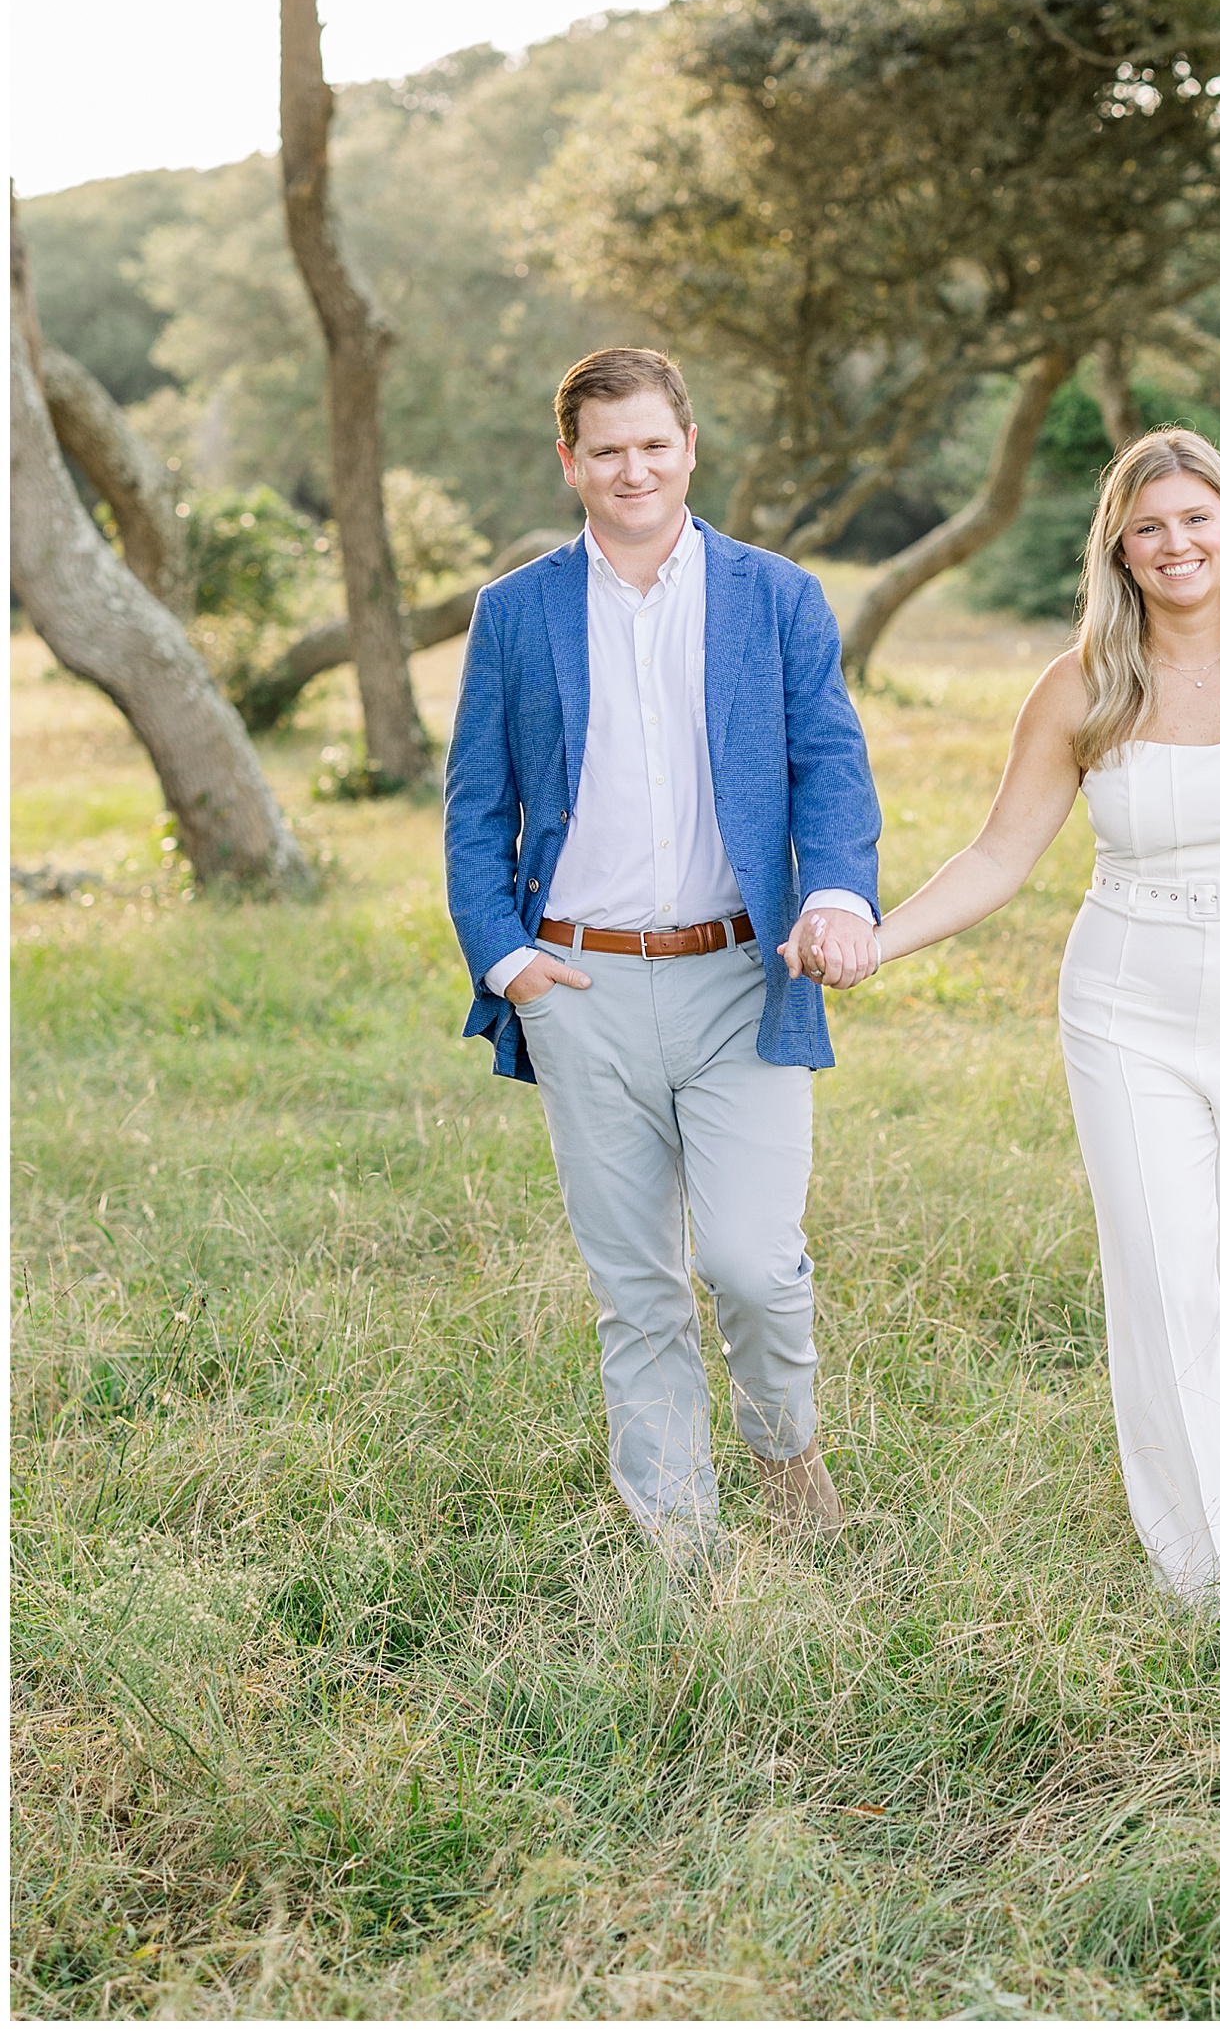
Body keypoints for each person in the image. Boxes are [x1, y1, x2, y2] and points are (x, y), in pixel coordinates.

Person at [789, 427, 1220, 1606]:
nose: (1177, 545)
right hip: (1129, 1003)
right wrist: (874, 940)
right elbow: (1000, 852)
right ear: (1121, 544)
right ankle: (1212, 1571)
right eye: (1150, 525)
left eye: (1196, 519)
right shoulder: (1082, 684)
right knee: (1165, 1284)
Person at [444, 346, 881, 1565]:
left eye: (653, 442)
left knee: (750, 1259)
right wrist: (507, 959)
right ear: (570, 460)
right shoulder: (517, 609)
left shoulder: (775, 595)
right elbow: (477, 804)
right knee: (635, 1282)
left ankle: (787, 1449)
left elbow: (830, 766)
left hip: (746, 976)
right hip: (577, 985)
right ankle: (681, 1548)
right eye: (606, 447)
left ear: (689, 444)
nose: (632, 467)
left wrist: (839, 890)